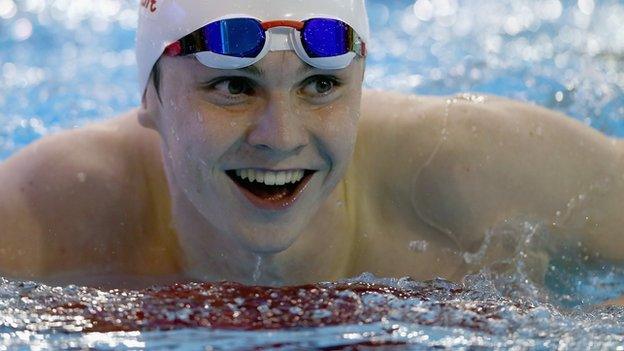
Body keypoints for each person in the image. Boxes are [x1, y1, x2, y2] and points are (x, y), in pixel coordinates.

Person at [0, 0, 623, 290]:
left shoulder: (475, 166)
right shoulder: (37, 221)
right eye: (234, 88)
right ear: (151, 101)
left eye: (321, 85)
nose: (281, 139)